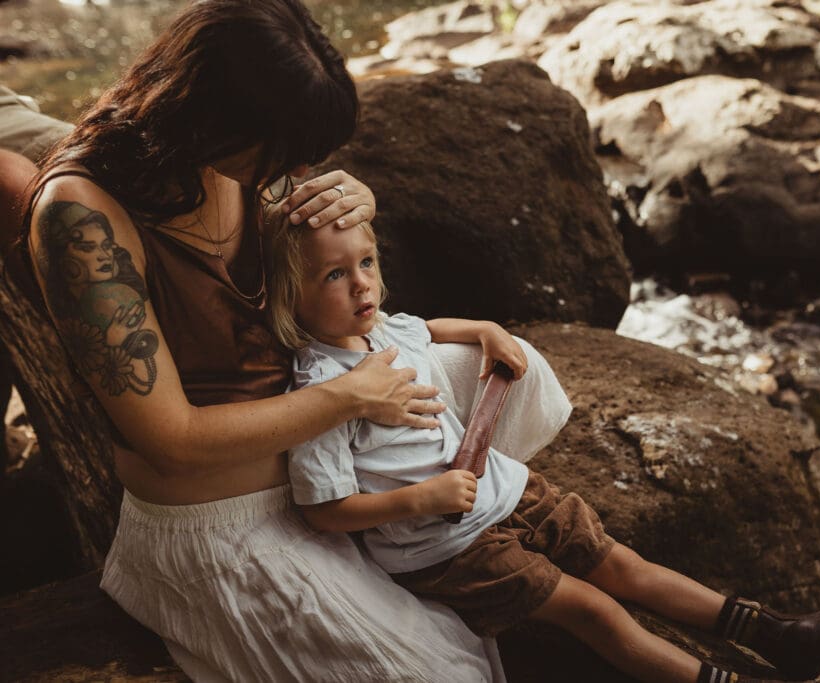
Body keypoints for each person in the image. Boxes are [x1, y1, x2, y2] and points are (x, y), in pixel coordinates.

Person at [18, 1, 573, 680]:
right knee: (439, 673)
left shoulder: (230, 160)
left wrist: (354, 208)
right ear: (215, 117)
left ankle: (396, 515)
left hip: (322, 439)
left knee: (517, 370)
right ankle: (388, 517)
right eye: (288, 149)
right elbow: (172, 439)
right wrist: (347, 398)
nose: (299, 164)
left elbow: (329, 290)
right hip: (223, 518)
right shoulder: (80, 218)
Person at [268, 213, 820, 683]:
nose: (362, 283)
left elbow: (429, 327)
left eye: (366, 261)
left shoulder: (383, 328)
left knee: (621, 564)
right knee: (593, 610)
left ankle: (778, 635)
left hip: (501, 488)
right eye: (334, 275)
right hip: (442, 546)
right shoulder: (323, 392)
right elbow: (322, 511)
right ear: (291, 294)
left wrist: (485, 332)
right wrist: (422, 498)